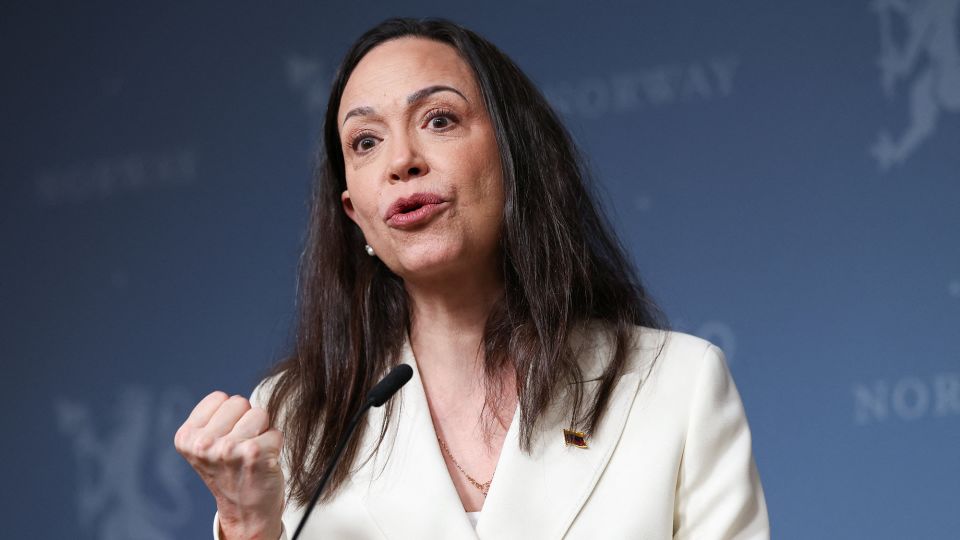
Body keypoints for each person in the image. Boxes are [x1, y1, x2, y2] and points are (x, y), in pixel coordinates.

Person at [174, 17, 769, 540]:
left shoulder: (678, 386)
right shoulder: (293, 417)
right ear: (354, 212)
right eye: (366, 141)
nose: (401, 161)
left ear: (515, 157)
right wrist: (249, 530)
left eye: (438, 119)